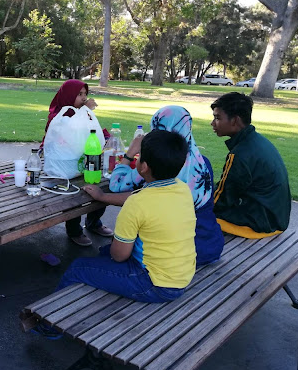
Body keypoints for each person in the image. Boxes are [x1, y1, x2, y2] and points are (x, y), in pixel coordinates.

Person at [58, 130, 196, 303]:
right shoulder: (182, 189)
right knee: (103, 252)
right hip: (180, 277)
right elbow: (142, 198)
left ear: (143, 166)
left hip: (154, 284)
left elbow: (119, 256)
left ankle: (48, 326)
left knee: (78, 268)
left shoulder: (136, 204)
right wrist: (103, 197)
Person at [105, 106, 224, 266]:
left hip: (179, 255)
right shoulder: (203, 162)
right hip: (211, 243)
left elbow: (116, 184)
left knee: (108, 254)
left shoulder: (156, 165)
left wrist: (130, 153)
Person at [210, 92, 291, 238]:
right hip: (276, 218)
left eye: (217, 118)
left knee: (198, 216)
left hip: (261, 223)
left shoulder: (240, 154)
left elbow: (223, 197)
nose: (212, 123)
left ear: (235, 120)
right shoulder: (258, 141)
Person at [43, 79, 113, 246]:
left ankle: (93, 221)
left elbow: (93, 130)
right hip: (65, 165)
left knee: (101, 185)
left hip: (82, 160)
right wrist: (84, 110)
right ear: (68, 95)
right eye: (79, 94)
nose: (83, 98)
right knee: (74, 194)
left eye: (85, 94)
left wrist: (107, 137)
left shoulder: (83, 113)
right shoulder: (59, 114)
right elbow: (66, 130)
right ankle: (74, 230)